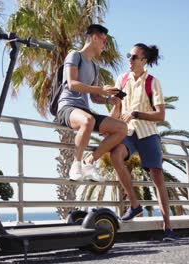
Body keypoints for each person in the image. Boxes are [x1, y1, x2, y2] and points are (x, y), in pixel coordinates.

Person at [109, 43, 177, 241]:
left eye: (134, 57)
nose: (129, 60)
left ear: (144, 60)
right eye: (128, 56)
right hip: (127, 132)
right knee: (115, 156)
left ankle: (168, 228)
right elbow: (117, 108)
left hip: (148, 134)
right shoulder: (121, 80)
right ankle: (135, 205)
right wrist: (113, 112)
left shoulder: (153, 82)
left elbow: (161, 115)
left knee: (157, 179)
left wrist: (136, 113)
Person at [57, 24, 127, 182]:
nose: (105, 46)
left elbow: (95, 97)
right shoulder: (75, 55)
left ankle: (89, 162)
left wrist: (109, 99)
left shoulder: (95, 67)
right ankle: (75, 164)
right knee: (88, 120)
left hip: (84, 110)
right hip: (67, 107)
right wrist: (101, 89)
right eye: (104, 42)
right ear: (95, 38)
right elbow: (72, 84)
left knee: (121, 128)